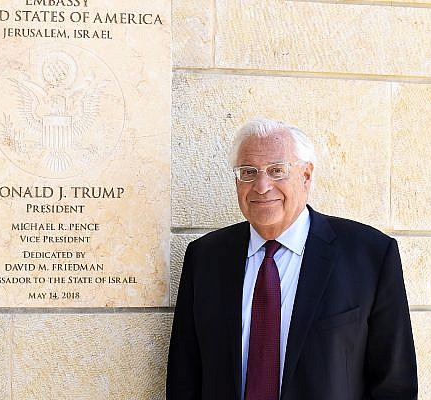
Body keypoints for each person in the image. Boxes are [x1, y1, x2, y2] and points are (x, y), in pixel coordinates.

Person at [166, 117, 417, 400]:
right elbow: (184, 376)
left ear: (306, 176)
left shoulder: (370, 255)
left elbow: (394, 384)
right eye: (248, 172)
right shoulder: (205, 258)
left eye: (277, 171)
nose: (261, 186)